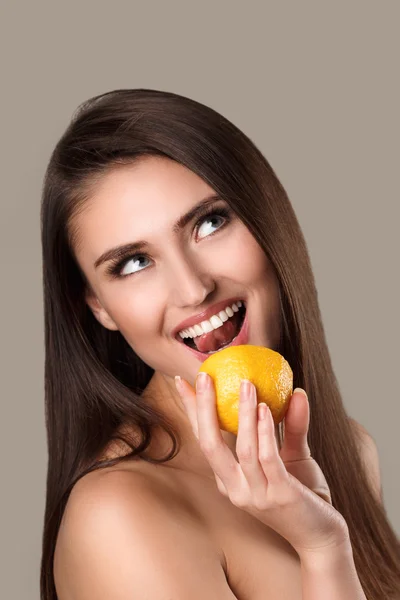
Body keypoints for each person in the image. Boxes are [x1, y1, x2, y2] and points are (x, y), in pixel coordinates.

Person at [39, 88, 400, 599]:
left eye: (210, 223)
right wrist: (322, 550)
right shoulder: (120, 519)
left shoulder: (349, 450)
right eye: (134, 263)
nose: (193, 288)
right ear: (98, 307)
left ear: (266, 217)